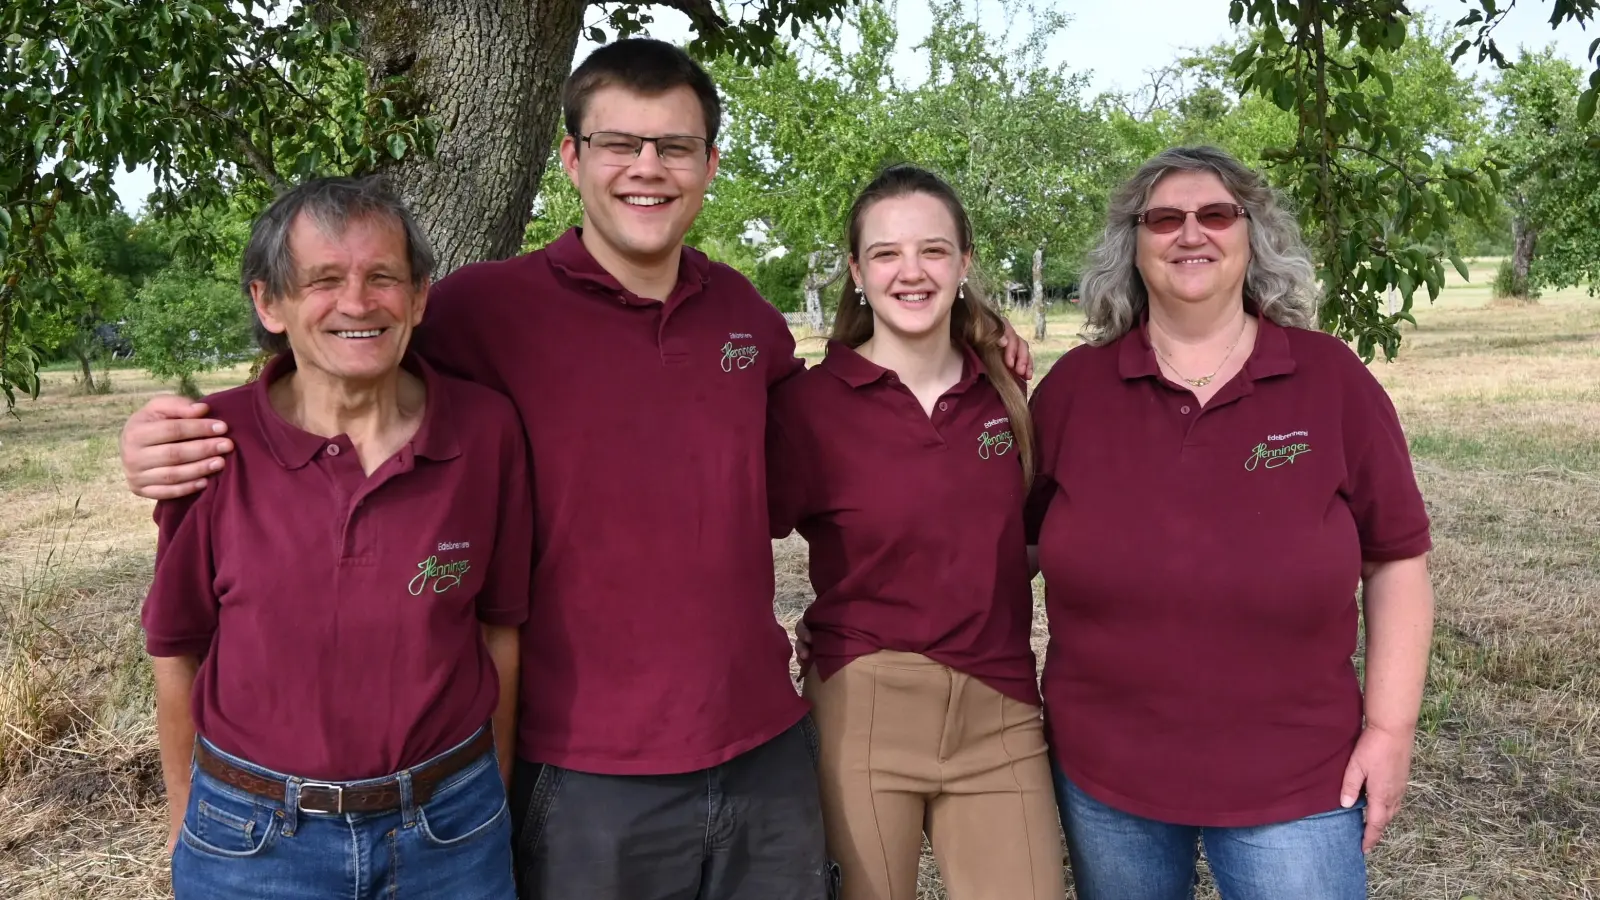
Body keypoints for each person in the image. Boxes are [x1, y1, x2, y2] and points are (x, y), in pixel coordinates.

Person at [119, 39, 1034, 900]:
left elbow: (848, 405)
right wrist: (172, 434)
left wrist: (968, 339)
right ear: (571, 158)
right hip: (585, 770)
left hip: (762, 747)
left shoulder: (742, 316)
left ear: (710, 165)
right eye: (619, 144)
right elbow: (343, 356)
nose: (648, 167)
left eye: (675, 146)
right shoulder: (484, 311)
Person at [1023, 145, 1436, 900]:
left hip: (1297, 775)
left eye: (1216, 214)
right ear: (1132, 245)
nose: (1191, 234)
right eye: (1164, 219)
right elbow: (1009, 547)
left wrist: (1390, 732)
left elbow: (1397, 561)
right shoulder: (1075, 391)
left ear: (1253, 234)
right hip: (1107, 773)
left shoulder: (1330, 379)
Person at [142, 176, 529, 899]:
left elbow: (498, 631)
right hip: (253, 842)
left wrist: (491, 803)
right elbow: (175, 647)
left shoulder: (485, 432)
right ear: (270, 303)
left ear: (418, 296)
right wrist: (185, 823)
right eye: (323, 280)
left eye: (383, 277)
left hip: (451, 831)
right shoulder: (211, 444)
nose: (357, 302)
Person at [767, 165, 1064, 900]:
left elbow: (1022, 543)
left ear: (964, 264)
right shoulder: (808, 407)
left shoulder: (1005, 392)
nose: (911, 272)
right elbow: (735, 540)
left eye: (933, 250)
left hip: (1000, 706)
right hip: (863, 705)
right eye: (886, 254)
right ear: (856, 272)